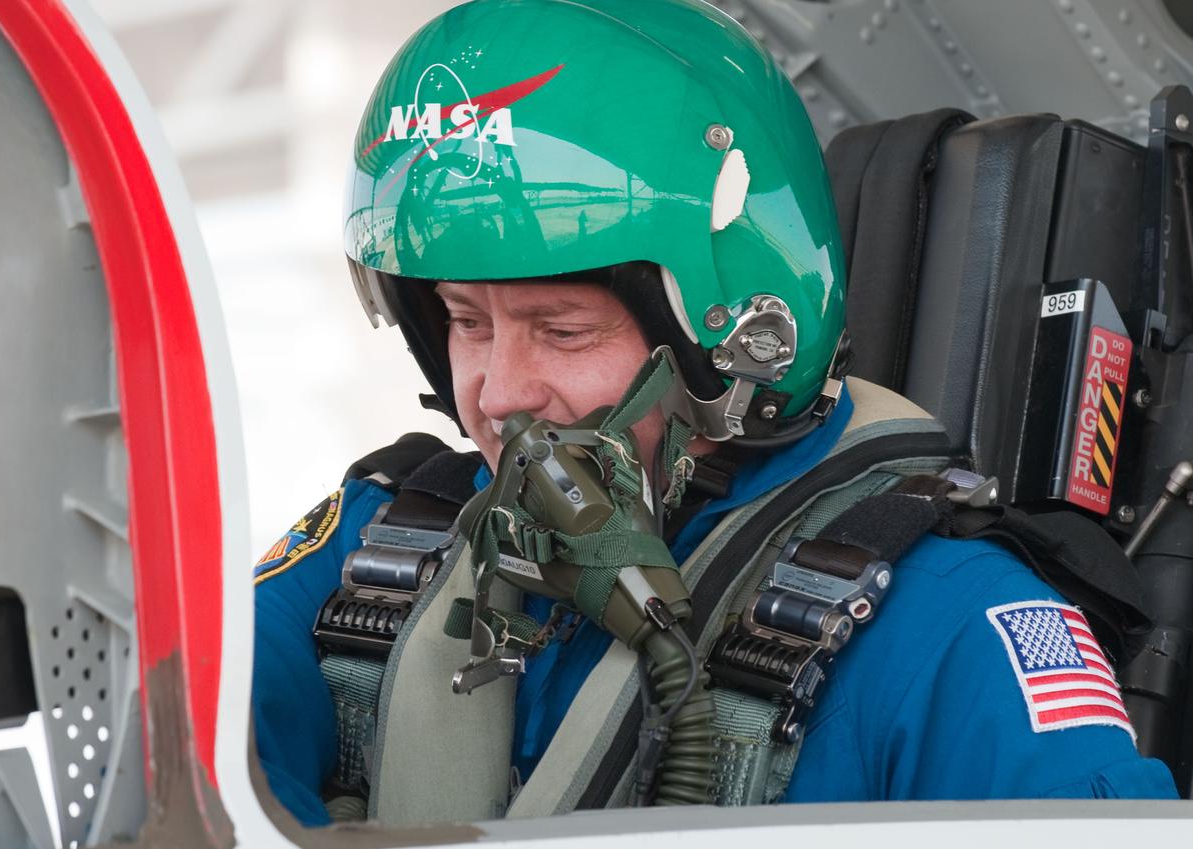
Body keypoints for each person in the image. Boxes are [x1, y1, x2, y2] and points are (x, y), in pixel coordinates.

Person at [251, 0, 1178, 827]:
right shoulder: (376, 555)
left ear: (737, 340)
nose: (497, 394)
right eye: (464, 322)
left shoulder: (953, 630)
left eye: (563, 331)